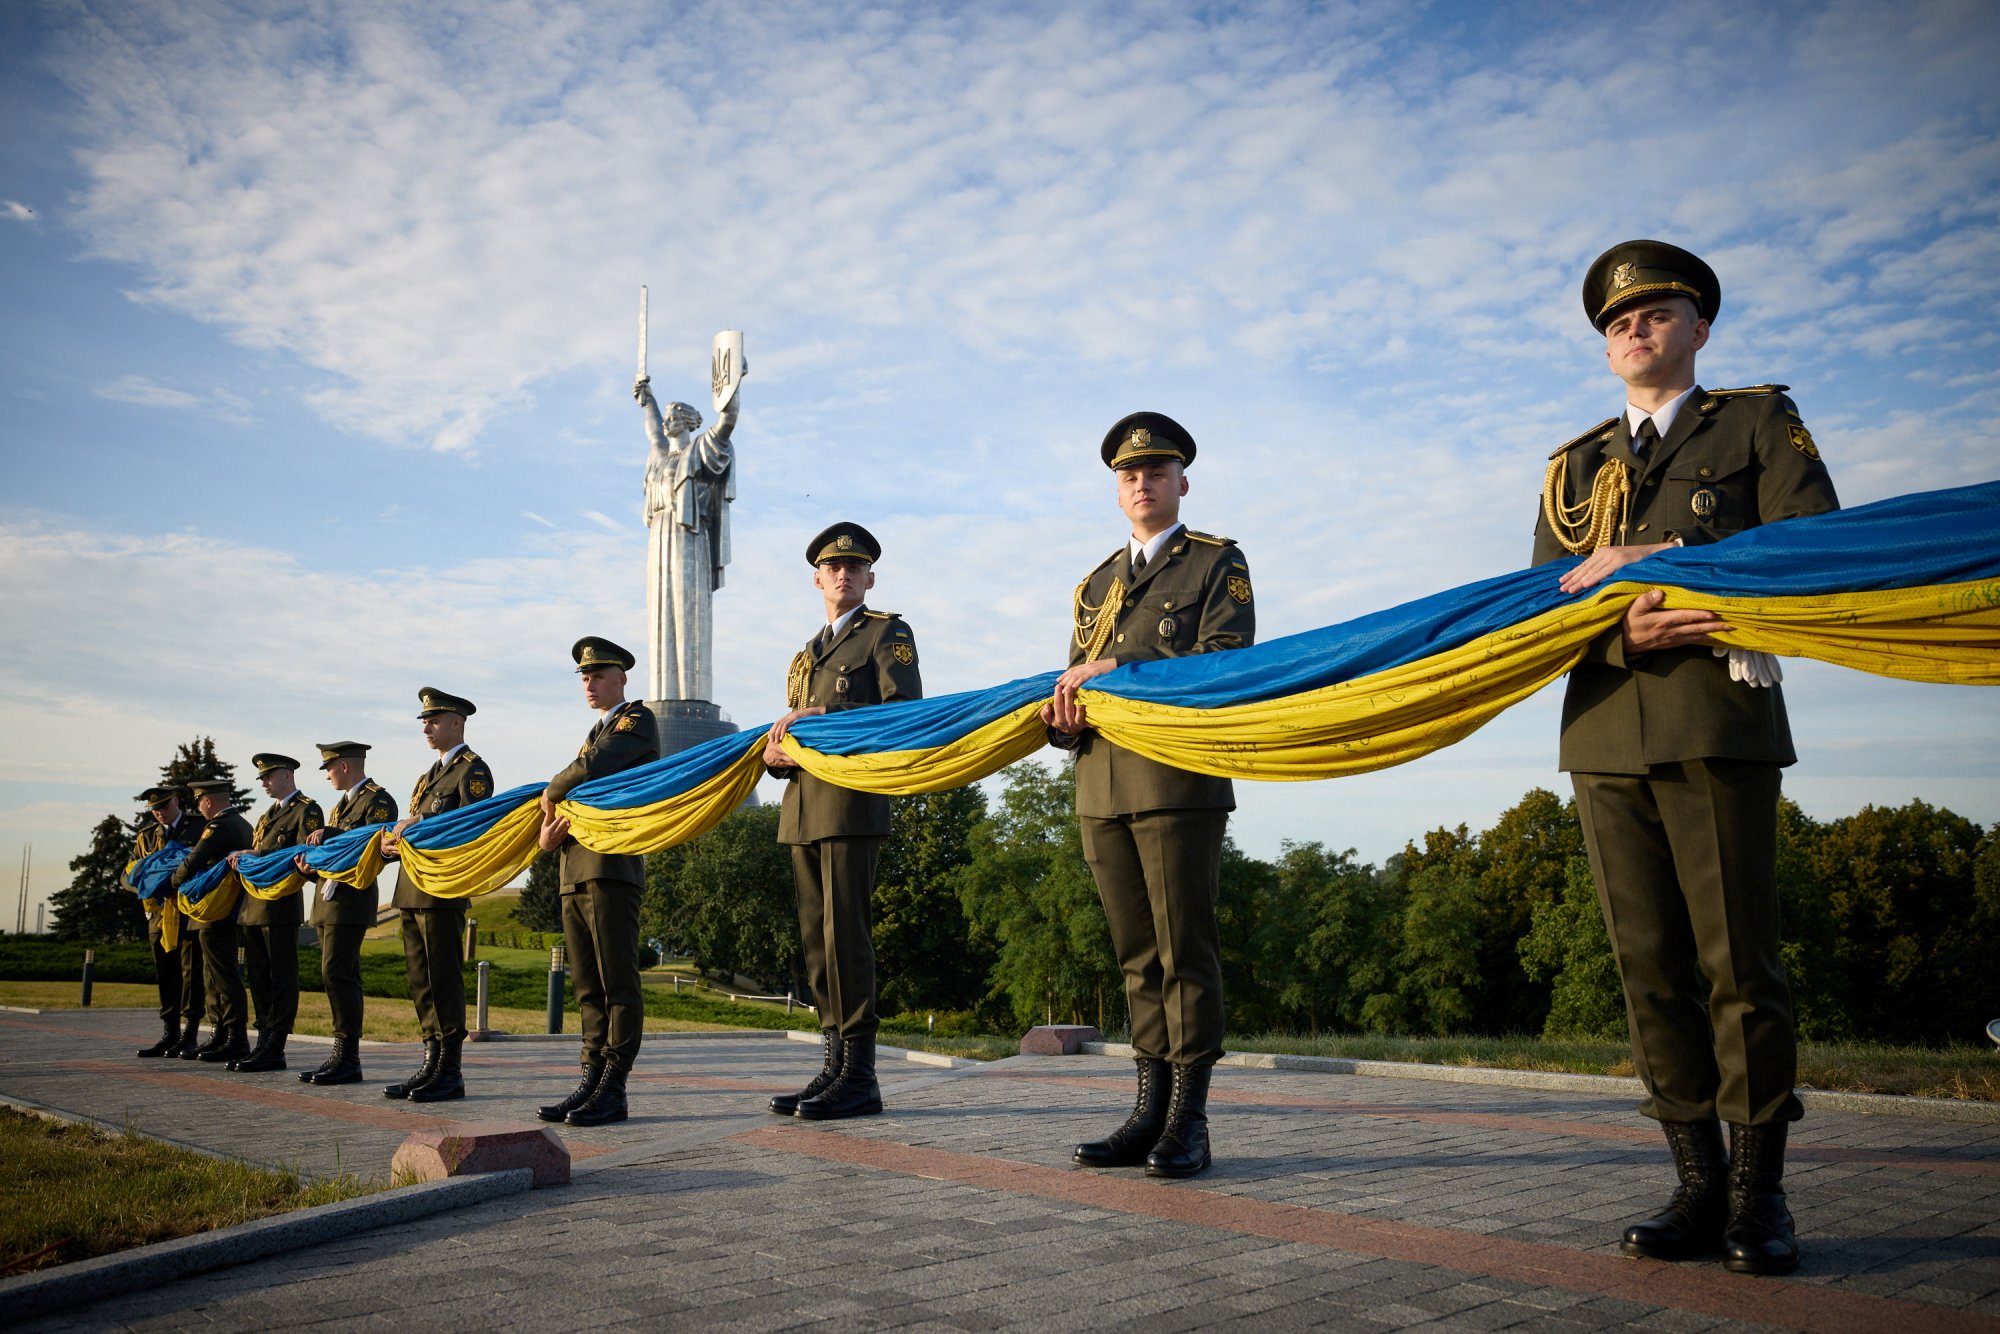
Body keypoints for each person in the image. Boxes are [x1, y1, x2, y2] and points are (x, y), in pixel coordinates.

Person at [1532, 240, 1838, 1275]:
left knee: (1734, 964)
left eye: (1655, 314)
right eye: (1617, 322)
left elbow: (1811, 542)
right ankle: (1695, 1185)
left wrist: (1655, 561)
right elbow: (1543, 606)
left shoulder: (1755, 421)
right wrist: (1624, 631)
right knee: (1647, 968)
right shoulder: (1571, 467)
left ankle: (1759, 1195)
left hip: (1718, 718)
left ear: (1697, 328)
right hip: (1607, 729)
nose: (1634, 330)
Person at [1042, 414, 1253, 1178]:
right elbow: (1078, 684)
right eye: (1130, 474)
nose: (1142, 481)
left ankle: (1189, 1119)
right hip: (1100, 782)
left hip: (1176, 782)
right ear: (1117, 489)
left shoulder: (1215, 562)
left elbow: (1224, 667)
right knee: (1136, 957)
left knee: (1183, 951)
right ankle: (1147, 1110)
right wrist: (1061, 720)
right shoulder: (1095, 584)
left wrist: (1118, 673)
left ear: (1181, 483)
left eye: (1157, 471)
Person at [762, 523, 922, 1121]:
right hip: (803, 808)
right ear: (817, 579)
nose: (844, 574)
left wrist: (826, 711)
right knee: (816, 943)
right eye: (833, 567)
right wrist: (776, 756)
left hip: (852, 805)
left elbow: (904, 712)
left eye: (855, 566)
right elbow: (795, 737)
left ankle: (861, 1074)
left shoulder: (887, 633)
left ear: (869, 578)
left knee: (845, 937)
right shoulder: (806, 655)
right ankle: (832, 1063)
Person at [535, 638, 660, 1127]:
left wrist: (551, 788)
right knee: (587, 985)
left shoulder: (635, 721)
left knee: (617, 982)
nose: (589, 683)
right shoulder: (594, 733)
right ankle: (590, 1076)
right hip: (576, 869)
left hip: (612, 867)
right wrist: (547, 840)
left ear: (622, 678)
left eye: (598, 675)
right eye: (584, 677)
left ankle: (614, 1085)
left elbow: (592, 770)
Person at [382, 688, 495, 1102]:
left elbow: (472, 824)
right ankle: (430, 1061)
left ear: (457, 723)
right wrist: (391, 844)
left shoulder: (472, 771)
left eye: (433, 720)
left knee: (444, 978)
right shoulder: (427, 777)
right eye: (424, 721)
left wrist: (424, 819)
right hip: (412, 888)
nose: (426, 727)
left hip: (442, 889)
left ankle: (450, 1070)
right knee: (421, 981)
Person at [295, 741, 397, 1086]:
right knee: (334, 974)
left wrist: (333, 835)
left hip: (350, 899)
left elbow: (373, 841)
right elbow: (334, 853)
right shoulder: (341, 806)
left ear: (344, 766)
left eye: (328, 767)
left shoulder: (377, 800)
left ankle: (348, 1057)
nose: (325, 775)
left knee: (339, 973)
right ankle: (341, 1054)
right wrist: (309, 867)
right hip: (328, 899)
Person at [223, 754, 322, 1073]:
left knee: (280, 978)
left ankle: (275, 1044)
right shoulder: (267, 815)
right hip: (253, 908)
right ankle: (264, 1038)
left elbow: (303, 853)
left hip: (280, 906)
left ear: (287, 775)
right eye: (262, 778)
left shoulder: (307, 809)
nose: (263, 783)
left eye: (268, 776)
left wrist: (258, 854)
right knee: (259, 979)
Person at [169, 778, 255, 1065]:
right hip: (223, 908)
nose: (199, 807)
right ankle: (221, 1033)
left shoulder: (220, 824)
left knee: (223, 974)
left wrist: (174, 880)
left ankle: (234, 1038)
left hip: (217, 909)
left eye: (199, 802)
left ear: (208, 801)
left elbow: (196, 858)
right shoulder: (241, 823)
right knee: (215, 974)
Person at [131, 786, 204, 1058]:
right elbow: (129, 875)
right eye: (154, 809)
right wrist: (151, 882)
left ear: (176, 801)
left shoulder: (198, 827)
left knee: (191, 974)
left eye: (164, 806)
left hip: (189, 912)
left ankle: (190, 1034)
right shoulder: (147, 837)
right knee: (166, 975)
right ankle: (169, 1033)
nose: (160, 813)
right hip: (159, 916)